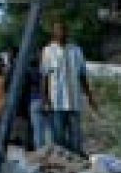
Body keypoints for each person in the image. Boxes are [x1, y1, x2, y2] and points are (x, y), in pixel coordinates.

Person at [40, 21, 95, 154]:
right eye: (58, 30)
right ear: (53, 33)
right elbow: (44, 77)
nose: (61, 33)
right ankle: (61, 166)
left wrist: (90, 97)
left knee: (76, 138)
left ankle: (76, 166)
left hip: (74, 102)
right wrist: (45, 100)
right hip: (57, 103)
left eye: (64, 30)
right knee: (59, 139)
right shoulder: (48, 51)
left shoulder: (76, 50)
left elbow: (82, 75)